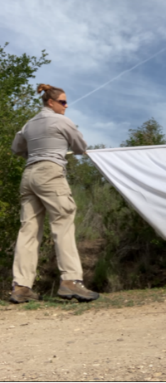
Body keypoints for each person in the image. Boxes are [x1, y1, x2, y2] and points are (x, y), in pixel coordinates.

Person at [10, 83, 99, 303]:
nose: (66, 106)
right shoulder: (61, 121)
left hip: (29, 175)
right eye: (63, 102)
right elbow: (80, 146)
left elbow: (16, 148)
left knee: (28, 230)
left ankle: (21, 287)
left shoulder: (29, 125)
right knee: (63, 222)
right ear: (51, 102)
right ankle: (71, 281)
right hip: (50, 173)